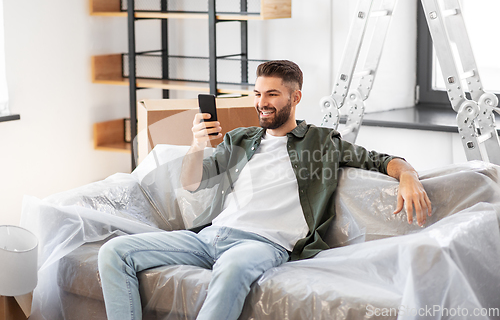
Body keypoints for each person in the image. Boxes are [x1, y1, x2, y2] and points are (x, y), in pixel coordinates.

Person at [98, 60, 432, 320]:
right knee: (114, 252)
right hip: (210, 237)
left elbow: (383, 160)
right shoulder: (241, 139)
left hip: (262, 244)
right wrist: (198, 144)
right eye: (258, 94)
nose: (262, 102)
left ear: (295, 97)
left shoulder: (322, 141)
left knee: (231, 268)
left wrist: (409, 178)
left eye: (272, 94)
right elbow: (192, 181)